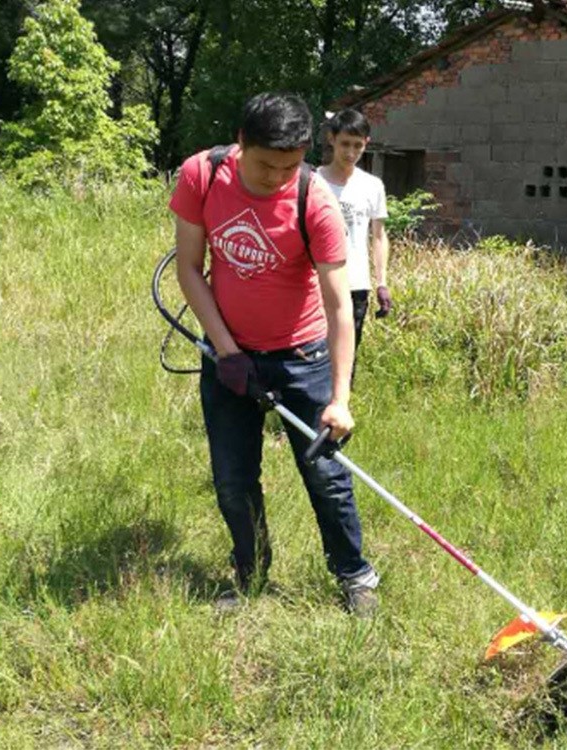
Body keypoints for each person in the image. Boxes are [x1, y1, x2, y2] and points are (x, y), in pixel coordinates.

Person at [169, 92, 379, 616]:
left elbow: (339, 307)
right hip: (229, 355)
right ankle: (250, 572)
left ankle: (354, 575)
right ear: (241, 143)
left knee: (326, 477)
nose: (276, 178)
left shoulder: (314, 199)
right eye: (266, 165)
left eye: (289, 166)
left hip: (302, 355)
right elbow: (190, 269)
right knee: (233, 478)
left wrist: (339, 398)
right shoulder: (202, 174)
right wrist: (227, 352)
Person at [318, 109, 391, 364]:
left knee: (346, 355)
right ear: (331, 139)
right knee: (313, 356)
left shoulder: (372, 185)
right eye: (345, 144)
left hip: (356, 284)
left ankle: (341, 401)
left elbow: (379, 236)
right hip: (316, 283)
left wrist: (381, 282)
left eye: (358, 146)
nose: (351, 153)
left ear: (366, 144)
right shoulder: (313, 182)